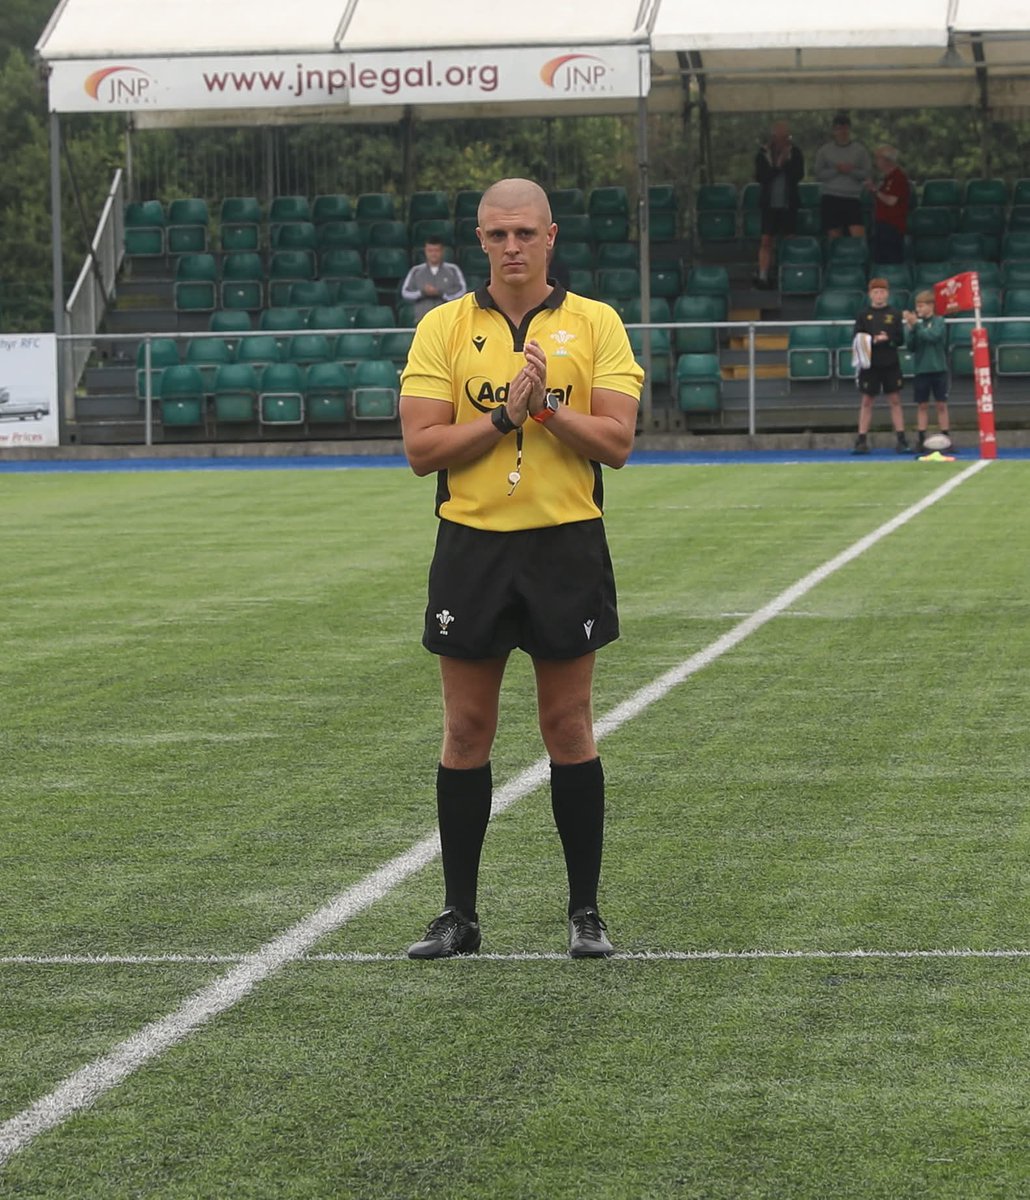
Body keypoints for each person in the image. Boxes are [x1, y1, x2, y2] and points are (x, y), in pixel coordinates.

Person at [398, 177, 643, 960]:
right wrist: (502, 415)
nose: (512, 247)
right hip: (471, 543)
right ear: (480, 240)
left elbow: (616, 441)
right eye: (498, 235)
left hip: (565, 541)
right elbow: (420, 450)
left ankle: (585, 913)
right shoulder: (443, 325)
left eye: (525, 234)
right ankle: (458, 915)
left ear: (551, 237)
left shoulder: (595, 323)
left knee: (567, 725)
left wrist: (543, 411)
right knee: (466, 728)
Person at [852, 276, 910, 454]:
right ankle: (861, 439)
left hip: (890, 362)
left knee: (895, 400)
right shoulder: (863, 315)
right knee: (867, 400)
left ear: (887, 294)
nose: (879, 295)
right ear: (870, 294)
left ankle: (901, 439)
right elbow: (856, 338)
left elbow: (900, 339)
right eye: (876, 292)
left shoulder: (894, 313)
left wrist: (888, 338)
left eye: (882, 292)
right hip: (870, 364)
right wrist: (872, 340)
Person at [753, 120, 804, 289]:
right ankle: (763, 275)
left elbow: (799, 175)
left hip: (789, 202)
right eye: (779, 136)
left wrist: (786, 162)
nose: (783, 139)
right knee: (766, 240)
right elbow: (761, 176)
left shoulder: (795, 152)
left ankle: (791, 273)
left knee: (790, 239)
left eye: (786, 136)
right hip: (769, 204)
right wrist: (776, 166)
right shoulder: (763, 153)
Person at [903, 290, 953, 453]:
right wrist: (911, 329)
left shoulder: (939, 321)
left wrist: (916, 325)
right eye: (917, 306)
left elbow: (933, 337)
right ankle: (921, 438)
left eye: (921, 305)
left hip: (938, 368)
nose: (918, 309)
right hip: (921, 369)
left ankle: (947, 437)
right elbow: (910, 346)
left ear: (930, 306)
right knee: (922, 405)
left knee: (941, 404)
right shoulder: (917, 324)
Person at [814, 113, 872, 241]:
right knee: (834, 238)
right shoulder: (824, 150)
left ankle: (860, 259)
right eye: (839, 128)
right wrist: (836, 170)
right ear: (834, 130)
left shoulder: (860, 150)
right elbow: (818, 174)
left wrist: (851, 171)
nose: (842, 132)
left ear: (849, 129)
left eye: (845, 128)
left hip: (852, 198)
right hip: (831, 197)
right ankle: (835, 260)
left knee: (859, 237)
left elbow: (866, 174)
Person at [400, 236, 467, 323]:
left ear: (442, 251)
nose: (433, 254)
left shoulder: (453, 270)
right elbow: (405, 293)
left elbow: (462, 291)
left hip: (448, 320)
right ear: (425, 251)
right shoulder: (416, 271)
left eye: (436, 251)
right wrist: (422, 292)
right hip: (422, 320)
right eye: (430, 251)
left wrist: (442, 294)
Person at [867, 145, 910, 265]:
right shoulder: (887, 178)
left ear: (887, 160)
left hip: (892, 227)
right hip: (883, 226)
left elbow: (891, 201)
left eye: (878, 158)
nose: (876, 162)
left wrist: (875, 190)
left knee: (891, 260)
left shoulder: (898, 178)